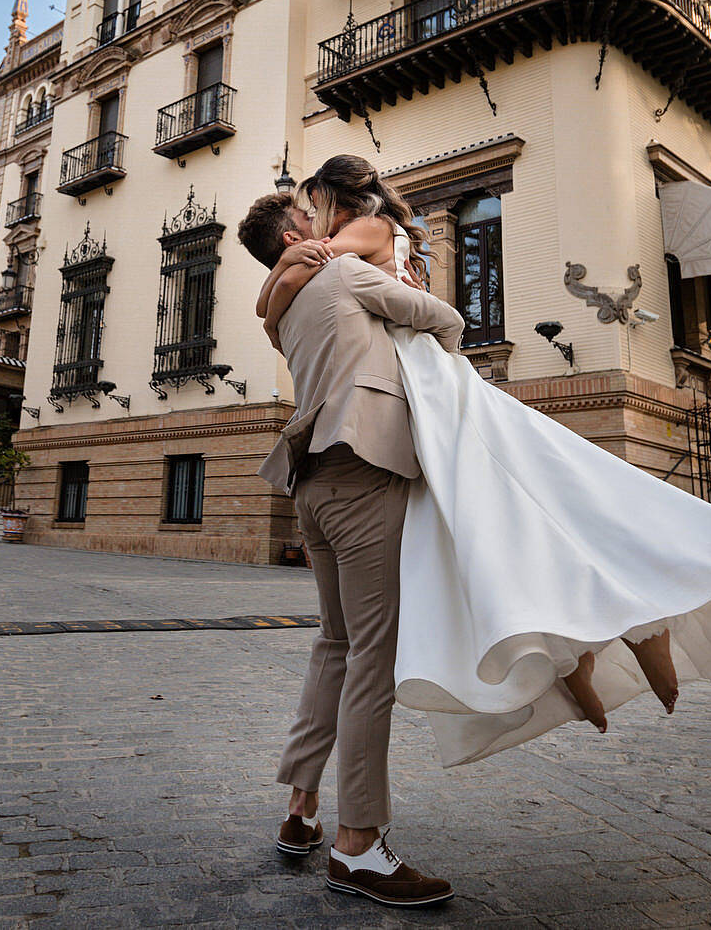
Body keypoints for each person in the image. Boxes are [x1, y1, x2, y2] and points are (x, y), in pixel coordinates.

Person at [259, 153, 711, 769]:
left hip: (436, 397)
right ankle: (598, 651)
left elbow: (305, 285)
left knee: (550, 511)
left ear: (336, 202)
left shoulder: (363, 233)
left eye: (311, 209)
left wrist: (289, 264)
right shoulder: (372, 245)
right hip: (423, 402)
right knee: (543, 516)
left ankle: (615, 644)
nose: (307, 225)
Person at [235, 190, 462, 908]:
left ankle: (301, 809)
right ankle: (358, 845)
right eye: (311, 215)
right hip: (363, 470)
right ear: (297, 231)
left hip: (311, 482)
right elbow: (447, 319)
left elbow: (280, 309)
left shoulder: (284, 312)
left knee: (334, 644)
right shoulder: (342, 275)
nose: (323, 221)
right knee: (372, 654)